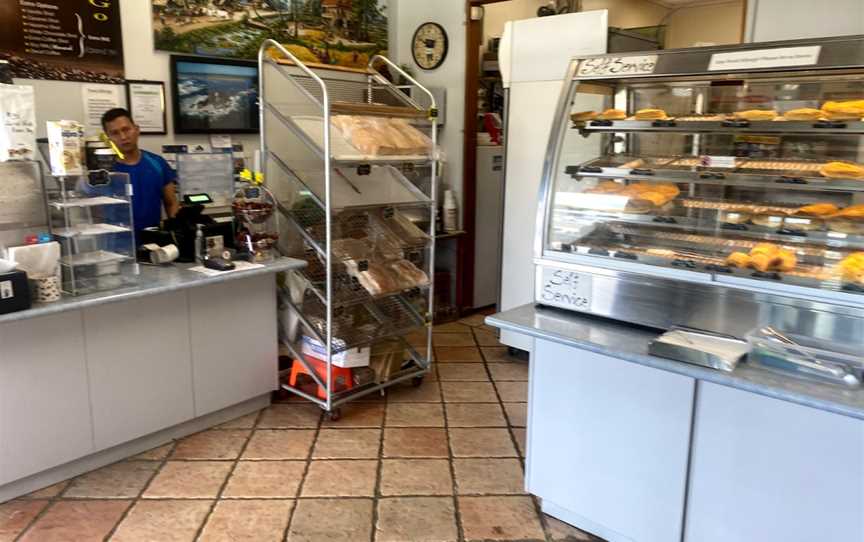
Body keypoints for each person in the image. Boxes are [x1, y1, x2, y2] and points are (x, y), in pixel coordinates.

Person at [101, 108, 179, 236]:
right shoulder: (103, 171)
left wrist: (175, 232)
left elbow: (171, 203)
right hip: (116, 247)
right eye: (115, 133)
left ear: (136, 129)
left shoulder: (157, 163)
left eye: (126, 129)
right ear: (108, 138)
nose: (123, 137)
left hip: (154, 243)